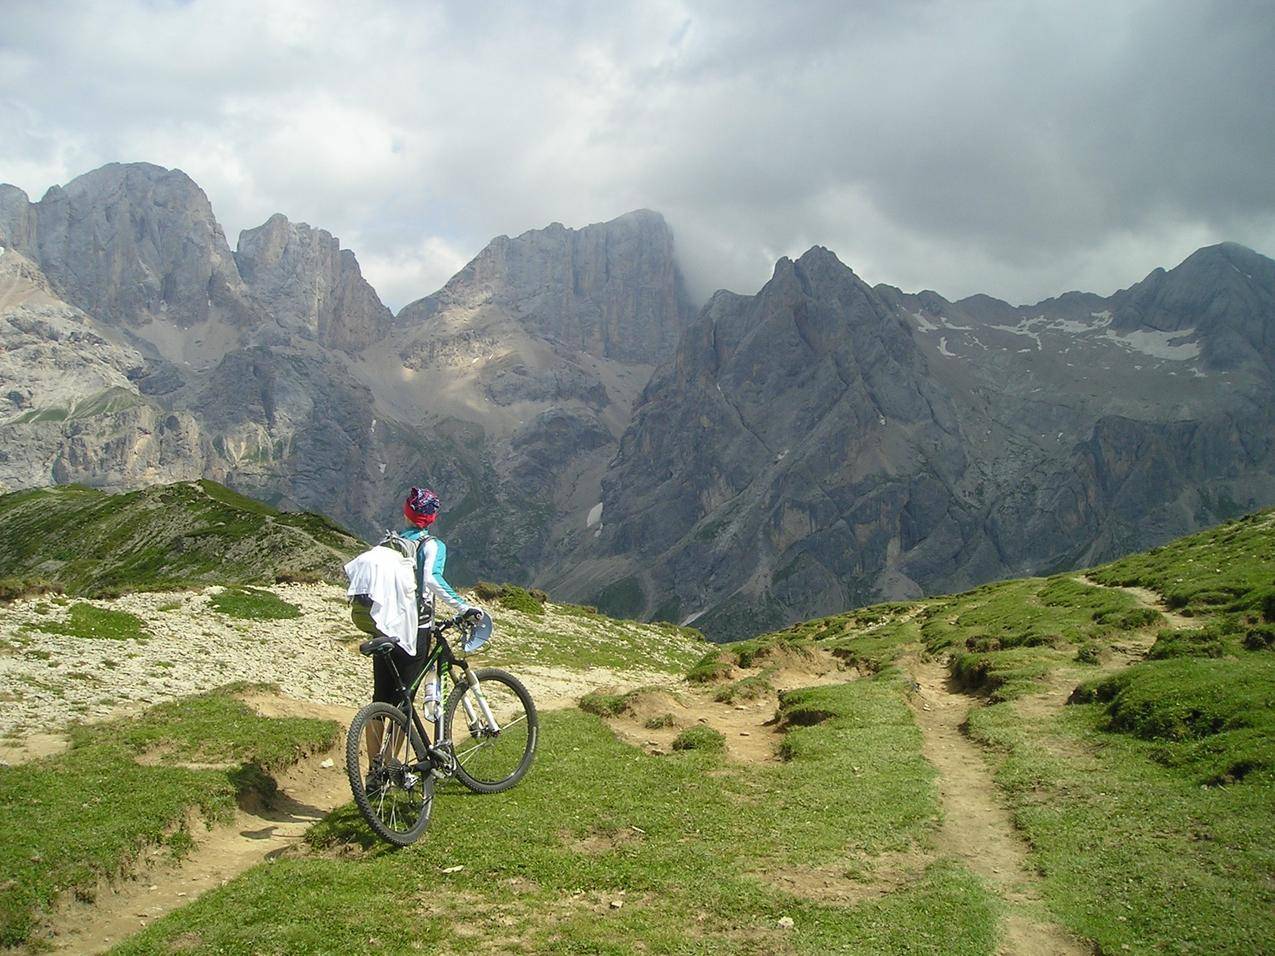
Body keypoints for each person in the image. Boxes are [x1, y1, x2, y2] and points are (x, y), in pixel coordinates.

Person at [371, 486, 483, 711]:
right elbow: (431, 579)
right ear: (432, 518)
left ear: (406, 514)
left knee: (380, 698)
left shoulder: (388, 543)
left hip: (384, 624)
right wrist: (463, 607)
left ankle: (371, 747)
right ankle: (395, 747)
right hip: (415, 628)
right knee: (405, 699)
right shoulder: (432, 545)